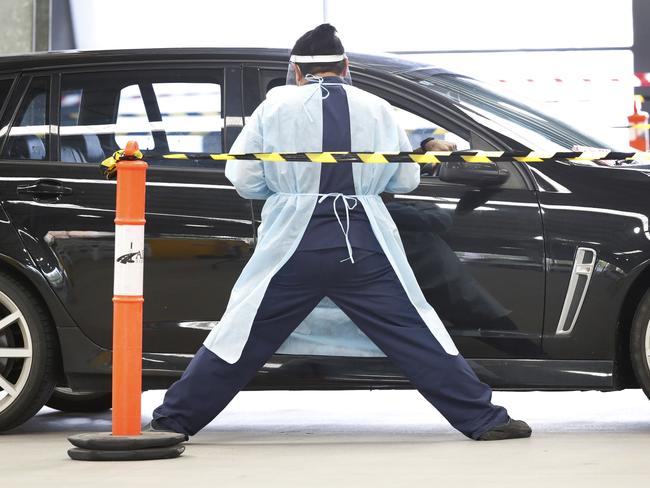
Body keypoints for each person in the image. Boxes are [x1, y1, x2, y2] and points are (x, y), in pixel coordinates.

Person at [148, 24, 531, 441]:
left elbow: (244, 179)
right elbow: (404, 181)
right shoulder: (377, 106)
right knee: (413, 331)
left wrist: (289, 187)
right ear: (346, 66)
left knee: (239, 334)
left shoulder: (274, 108)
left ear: (295, 70)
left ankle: (173, 422)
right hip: (363, 239)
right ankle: (484, 419)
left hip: (293, 240)